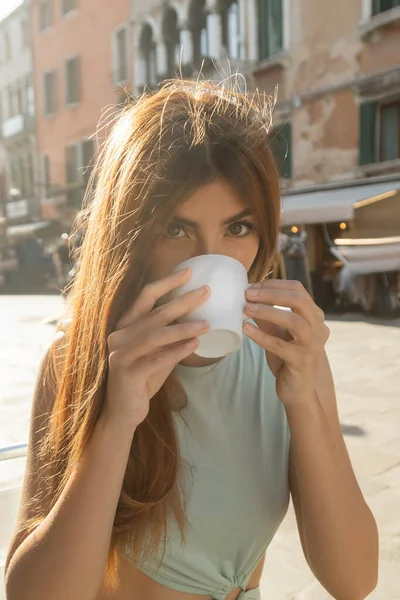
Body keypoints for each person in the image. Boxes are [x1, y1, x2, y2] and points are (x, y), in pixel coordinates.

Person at [5, 80, 378, 600]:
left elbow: (354, 579)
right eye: (176, 230)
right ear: (131, 239)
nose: (211, 261)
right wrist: (116, 421)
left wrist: (304, 404)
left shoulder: (288, 358)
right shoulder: (82, 357)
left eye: (238, 228)